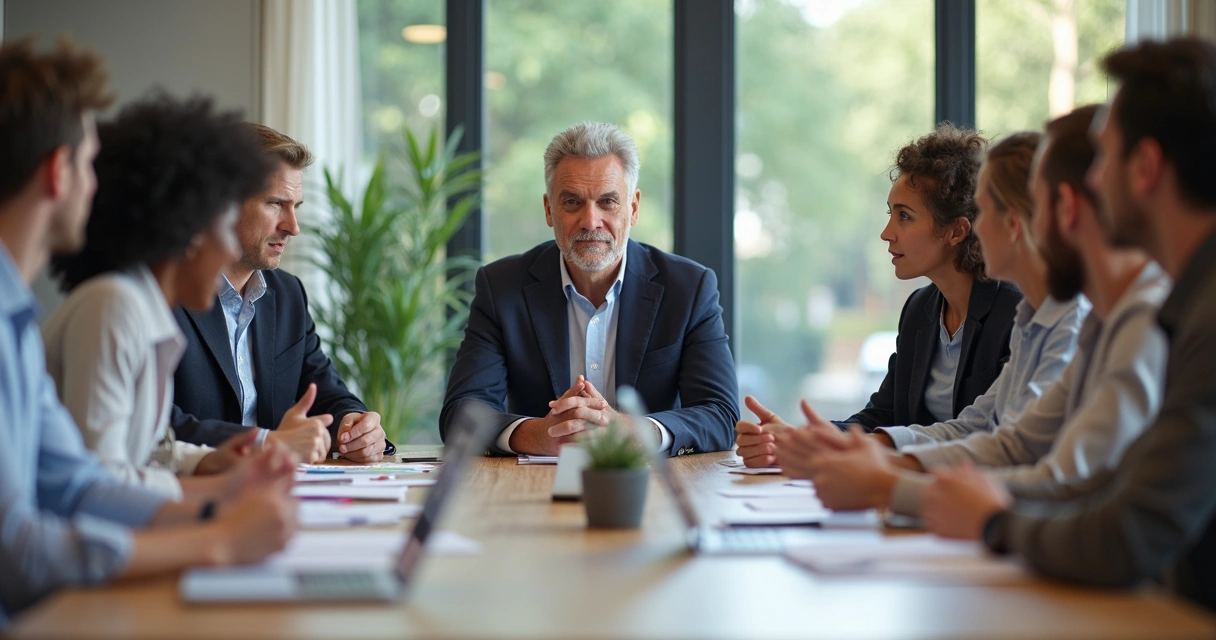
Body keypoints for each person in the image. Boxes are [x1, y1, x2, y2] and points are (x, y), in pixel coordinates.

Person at [0, 38, 295, 627]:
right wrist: (216, 538)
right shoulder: (102, 306)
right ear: (59, 172)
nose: (97, 183)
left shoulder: (18, 319)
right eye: (88, 164)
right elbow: (18, 551)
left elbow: (77, 486)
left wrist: (221, 499)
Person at [919, 38, 1216, 611]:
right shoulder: (1180, 301)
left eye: (1104, 159)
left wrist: (994, 523)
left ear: (1147, 168)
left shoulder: (1190, 315)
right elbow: (1100, 489)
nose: (1093, 184)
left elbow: (1130, 528)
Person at [776, 113, 1169, 516]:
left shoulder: (1113, 317)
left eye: (982, 212)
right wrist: (870, 462)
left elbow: (1057, 473)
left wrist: (889, 483)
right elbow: (995, 433)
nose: (975, 230)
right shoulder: (1047, 317)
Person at [440, 121, 739, 457]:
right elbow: (461, 415)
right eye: (572, 202)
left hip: (652, 492)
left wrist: (635, 431)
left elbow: (721, 415)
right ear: (549, 209)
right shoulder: (501, 288)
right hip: (532, 491)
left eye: (608, 202)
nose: (590, 221)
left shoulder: (689, 288)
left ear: (634, 208)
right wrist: (538, 434)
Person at [42, 94, 286, 501]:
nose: (230, 252)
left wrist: (203, 462)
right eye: (227, 228)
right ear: (188, 230)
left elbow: (144, 449)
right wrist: (217, 497)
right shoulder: (113, 306)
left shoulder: (142, 305)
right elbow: (100, 481)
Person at [736, 125, 1023, 467]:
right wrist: (802, 439)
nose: (887, 233)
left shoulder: (1016, 311)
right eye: (891, 214)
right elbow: (881, 417)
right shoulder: (920, 309)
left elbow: (988, 436)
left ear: (956, 231)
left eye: (904, 216)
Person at [169, 124, 391, 463]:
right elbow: (155, 425)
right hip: (191, 498)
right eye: (275, 204)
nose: (292, 226)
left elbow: (323, 391)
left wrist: (354, 425)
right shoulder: (165, 292)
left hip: (275, 494)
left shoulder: (287, 294)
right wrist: (265, 442)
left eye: (296, 206)